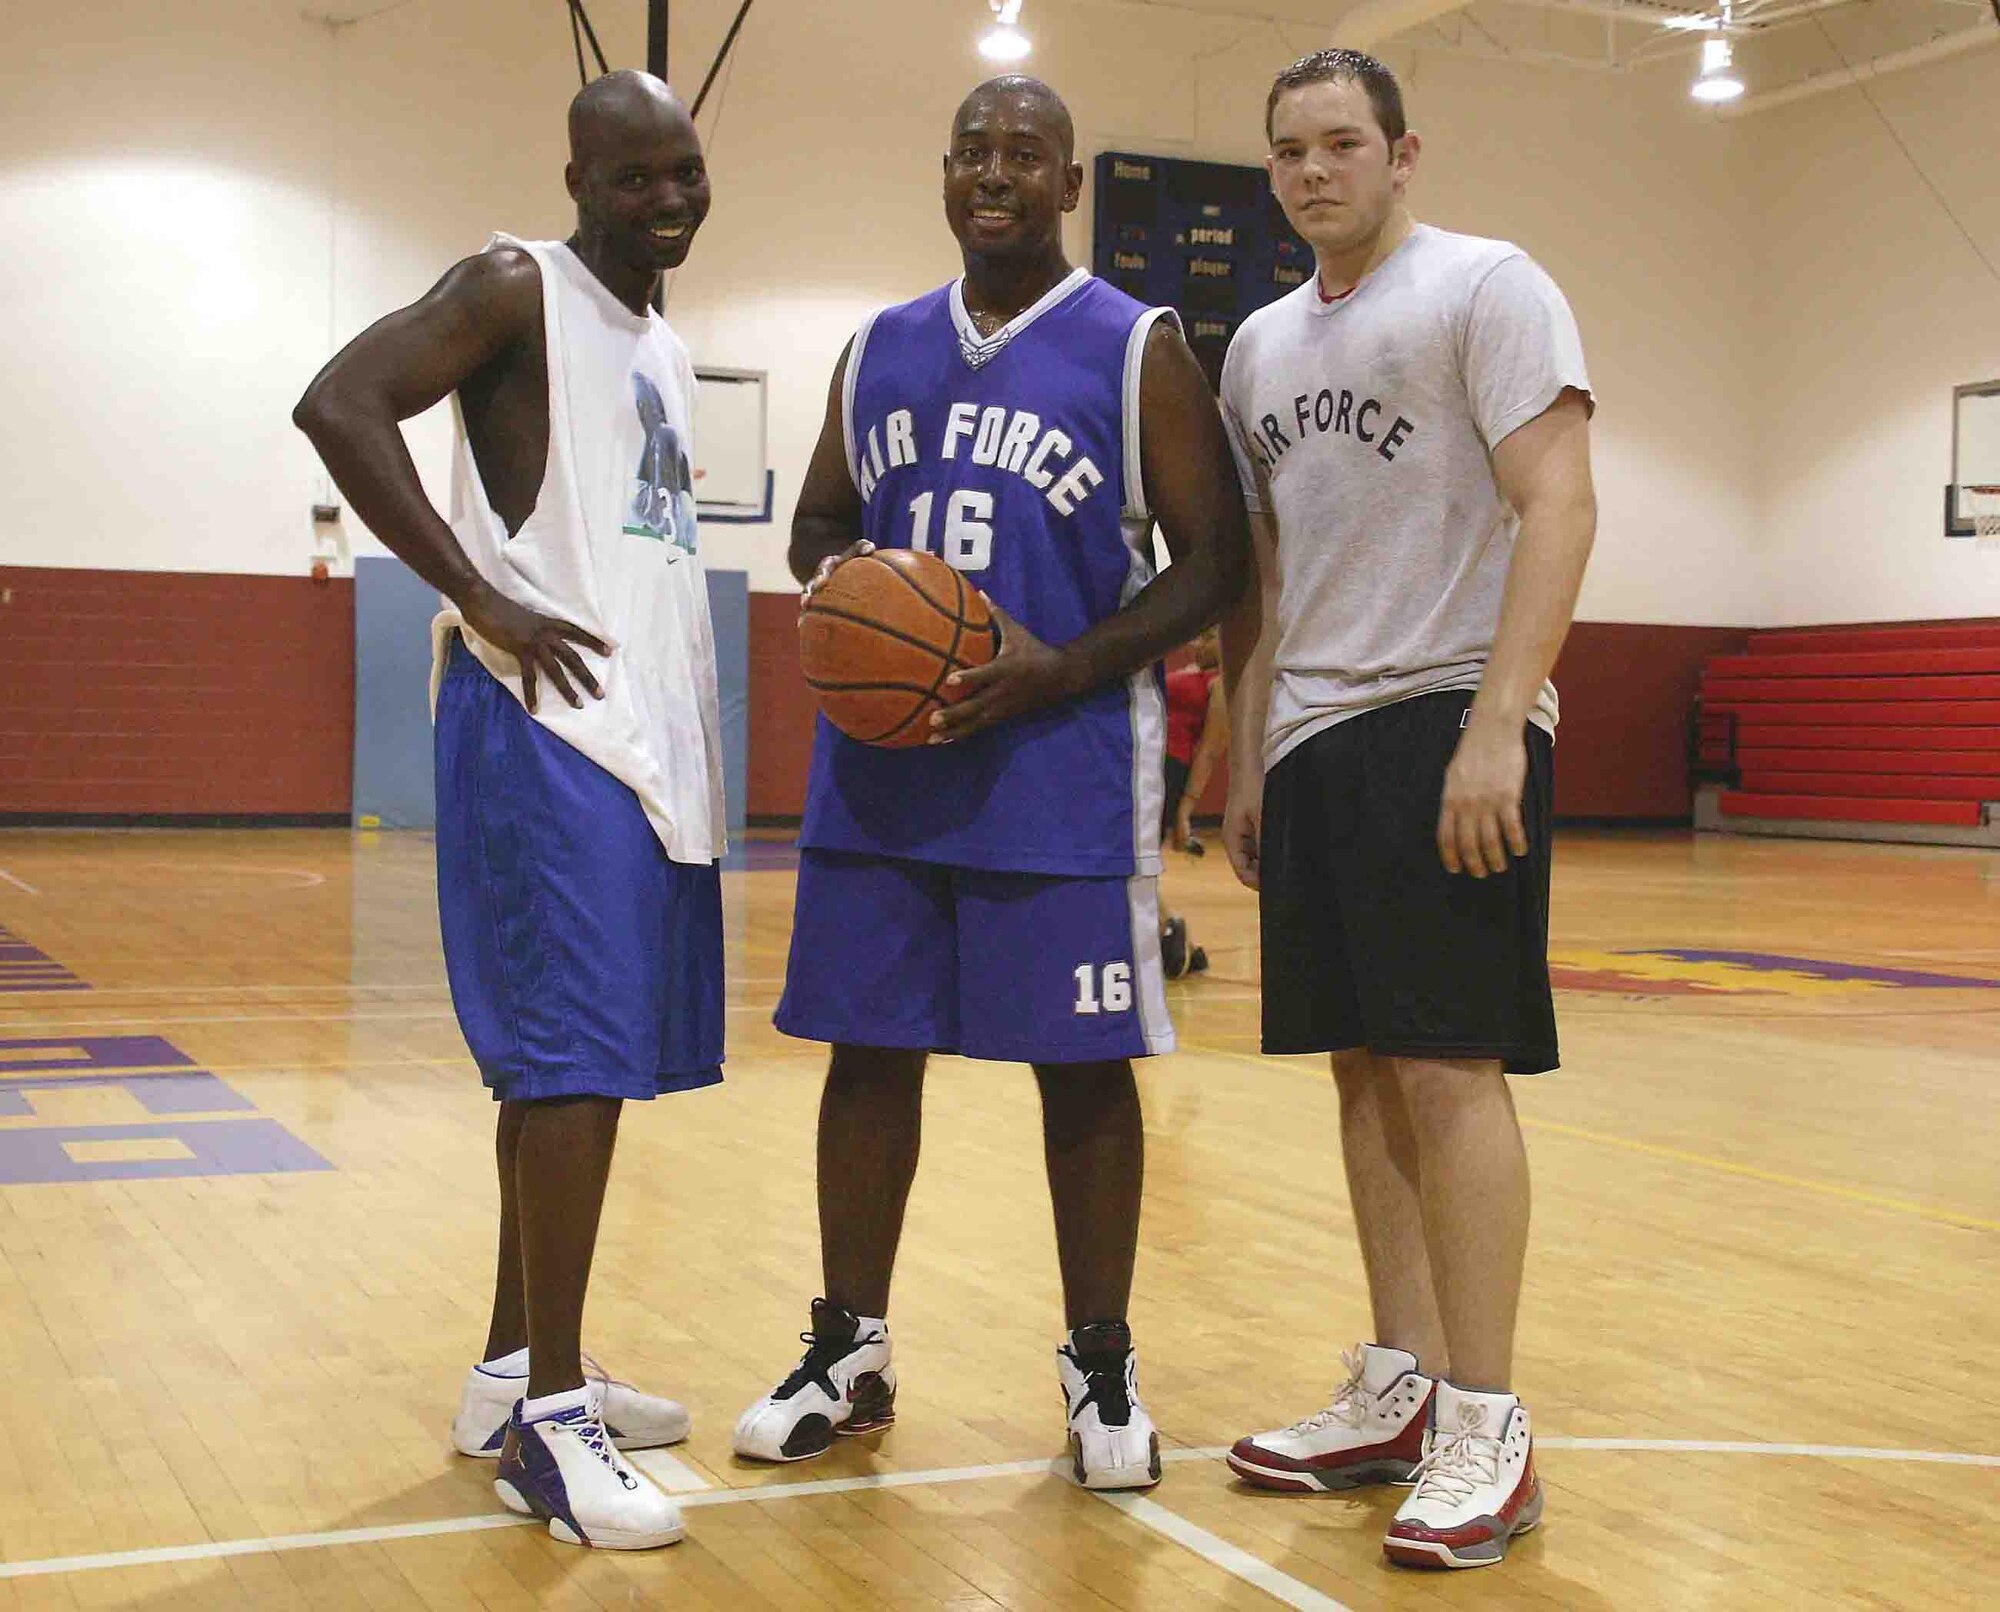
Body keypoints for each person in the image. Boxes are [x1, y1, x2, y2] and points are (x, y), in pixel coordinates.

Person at [734, 75, 1249, 1491]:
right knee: (866, 1052)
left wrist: (1060, 668)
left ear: (1071, 184)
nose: (998, 175)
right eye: (976, 154)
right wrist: (854, 597)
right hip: (885, 780)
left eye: (1027, 156)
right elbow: (821, 524)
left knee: (1081, 1075)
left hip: (1061, 771)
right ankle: (850, 1344)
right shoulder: (879, 346)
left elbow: (1220, 563)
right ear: (945, 176)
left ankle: (1099, 1361)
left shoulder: (1133, 345)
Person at [292, 71, 725, 1552]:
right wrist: (472, 587)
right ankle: (552, 1422)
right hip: (544, 728)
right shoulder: (510, 285)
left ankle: (507, 1369)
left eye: (686, 173)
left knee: (568, 1070)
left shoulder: (661, 340)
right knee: (572, 1071)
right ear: (577, 175)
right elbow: (338, 403)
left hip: (638, 736)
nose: (667, 201)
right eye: (636, 179)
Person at [1216, 49, 1596, 1569]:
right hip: (1316, 735)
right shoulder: (1252, 347)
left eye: (1345, 144)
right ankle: (1401, 1382)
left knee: (1449, 1068)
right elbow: (1266, 580)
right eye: (1293, 151)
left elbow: (1557, 501)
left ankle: (1487, 1422)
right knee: (1363, 1071)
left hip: (1448, 711)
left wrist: (1501, 722)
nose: (1318, 171)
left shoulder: (1489, 287)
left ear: (1402, 153)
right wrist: (1247, 751)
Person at [1158, 627, 1227, 977]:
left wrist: (1185, 810)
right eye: (1195, 637)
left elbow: (1210, 752)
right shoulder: (1192, 674)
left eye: (1205, 639)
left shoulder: (1224, 685)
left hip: (1169, 770)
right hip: (1147, 764)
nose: (1194, 644)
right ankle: (1182, 947)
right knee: (1134, 863)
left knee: (1134, 864)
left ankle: (1170, 931)